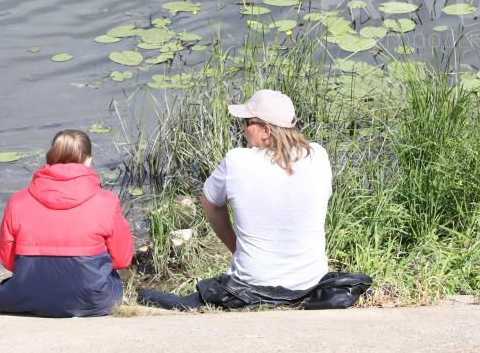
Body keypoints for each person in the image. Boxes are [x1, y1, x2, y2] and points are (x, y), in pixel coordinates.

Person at [139, 90, 368, 310]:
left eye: (247, 122)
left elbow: (208, 202)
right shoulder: (318, 155)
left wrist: (236, 249)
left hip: (252, 283)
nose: (242, 128)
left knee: (151, 296)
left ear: (266, 130)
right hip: (310, 283)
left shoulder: (237, 160)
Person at [0, 129, 133, 317]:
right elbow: (122, 259)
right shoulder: (107, 201)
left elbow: (8, 261)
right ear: (88, 160)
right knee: (114, 282)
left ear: (50, 157)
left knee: (2, 290)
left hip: (25, 297)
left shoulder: (17, 201)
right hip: (91, 300)